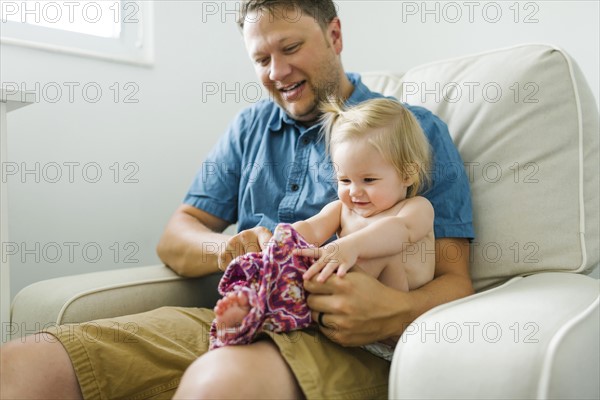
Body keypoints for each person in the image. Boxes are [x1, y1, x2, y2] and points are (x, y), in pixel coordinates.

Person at [0, 1, 474, 399]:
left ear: (334, 34)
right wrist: (228, 248)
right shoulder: (250, 128)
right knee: (21, 365)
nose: (278, 72)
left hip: (343, 341)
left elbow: (456, 280)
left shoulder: (412, 133)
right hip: (241, 313)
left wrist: (388, 310)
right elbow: (175, 236)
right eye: (261, 59)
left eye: (290, 48)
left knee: (218, 383)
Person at [211, 98, 436, 363]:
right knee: (296, 254)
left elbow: (401, 231)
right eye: (344, 180)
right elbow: (309, 229)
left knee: (382, 251)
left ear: (408, 174)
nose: (354, 191)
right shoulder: (341, 209)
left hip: (390, 331)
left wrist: (349, 247)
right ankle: (257, 304)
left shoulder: (416, 208)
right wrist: (279, 243)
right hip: (338, 315)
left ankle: (269, 304)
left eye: (369, 180)